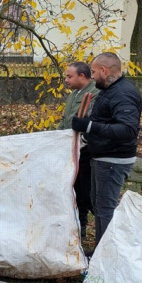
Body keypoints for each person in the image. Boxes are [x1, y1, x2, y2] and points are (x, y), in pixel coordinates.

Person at [71, 52, 142, 248]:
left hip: (113, 160)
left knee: (104, 209)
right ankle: (101, 251)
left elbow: (128, 129)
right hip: (102, 156)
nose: (92, 76)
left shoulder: (123, 94)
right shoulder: (111, 91)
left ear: (104, 70)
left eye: (93, 72)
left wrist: (89, 127)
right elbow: (106, 120)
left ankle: (106, 255)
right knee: (97, 203)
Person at [57, 62, 100, 239]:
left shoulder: (95, 94)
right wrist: (56, 139)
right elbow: (65, 119)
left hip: (86, 152)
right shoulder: (74, 94)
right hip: (72, 151)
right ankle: (79, 229)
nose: (66, 80)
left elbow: (88, 121)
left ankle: (107, 229)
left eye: (69, 76)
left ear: (82, 76)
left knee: (87, 194)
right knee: (75, 191)